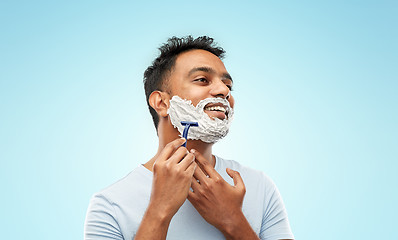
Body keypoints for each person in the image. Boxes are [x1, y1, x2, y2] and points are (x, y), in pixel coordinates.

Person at [84, 36, 294, 240]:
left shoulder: (258, 186)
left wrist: (233, 221)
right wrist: (159, 210)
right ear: (162, 103)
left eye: (228, 85)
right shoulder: (110, 204)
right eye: (202, 79)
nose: (223, 91)